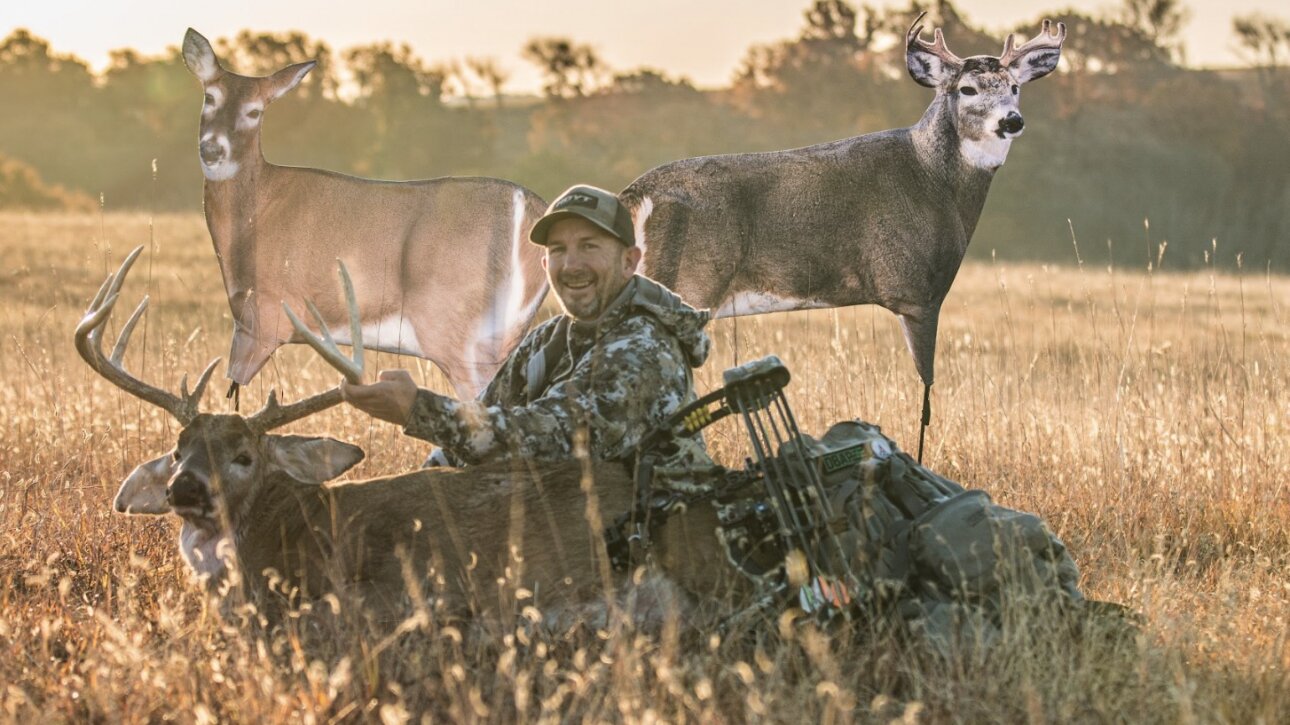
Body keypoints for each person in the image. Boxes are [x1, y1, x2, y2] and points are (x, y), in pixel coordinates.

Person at [340, 184, 714, 472]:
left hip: (651, 546)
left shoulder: (646, 347)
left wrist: (418, 409)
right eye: (558, 251)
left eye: (589, 246)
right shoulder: (549, 340)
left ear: (629, 261)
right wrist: (418, 489)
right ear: (544, 261)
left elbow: (556, 440)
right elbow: (484, 418)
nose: (571, 265)